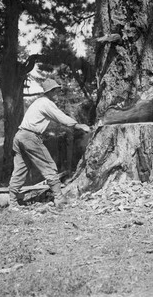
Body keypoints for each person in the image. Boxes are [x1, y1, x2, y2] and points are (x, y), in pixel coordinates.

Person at [8, 79, 91, 211]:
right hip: (30, 137)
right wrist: (79, 125)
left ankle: (12, 203)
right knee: (49, 166)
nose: (58, 93)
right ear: (50, 91)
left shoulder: (38, 102)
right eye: (56, 91)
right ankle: (59, 199)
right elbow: (60, 117)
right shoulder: (46, 103)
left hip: (19, 136)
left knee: (19, 170)